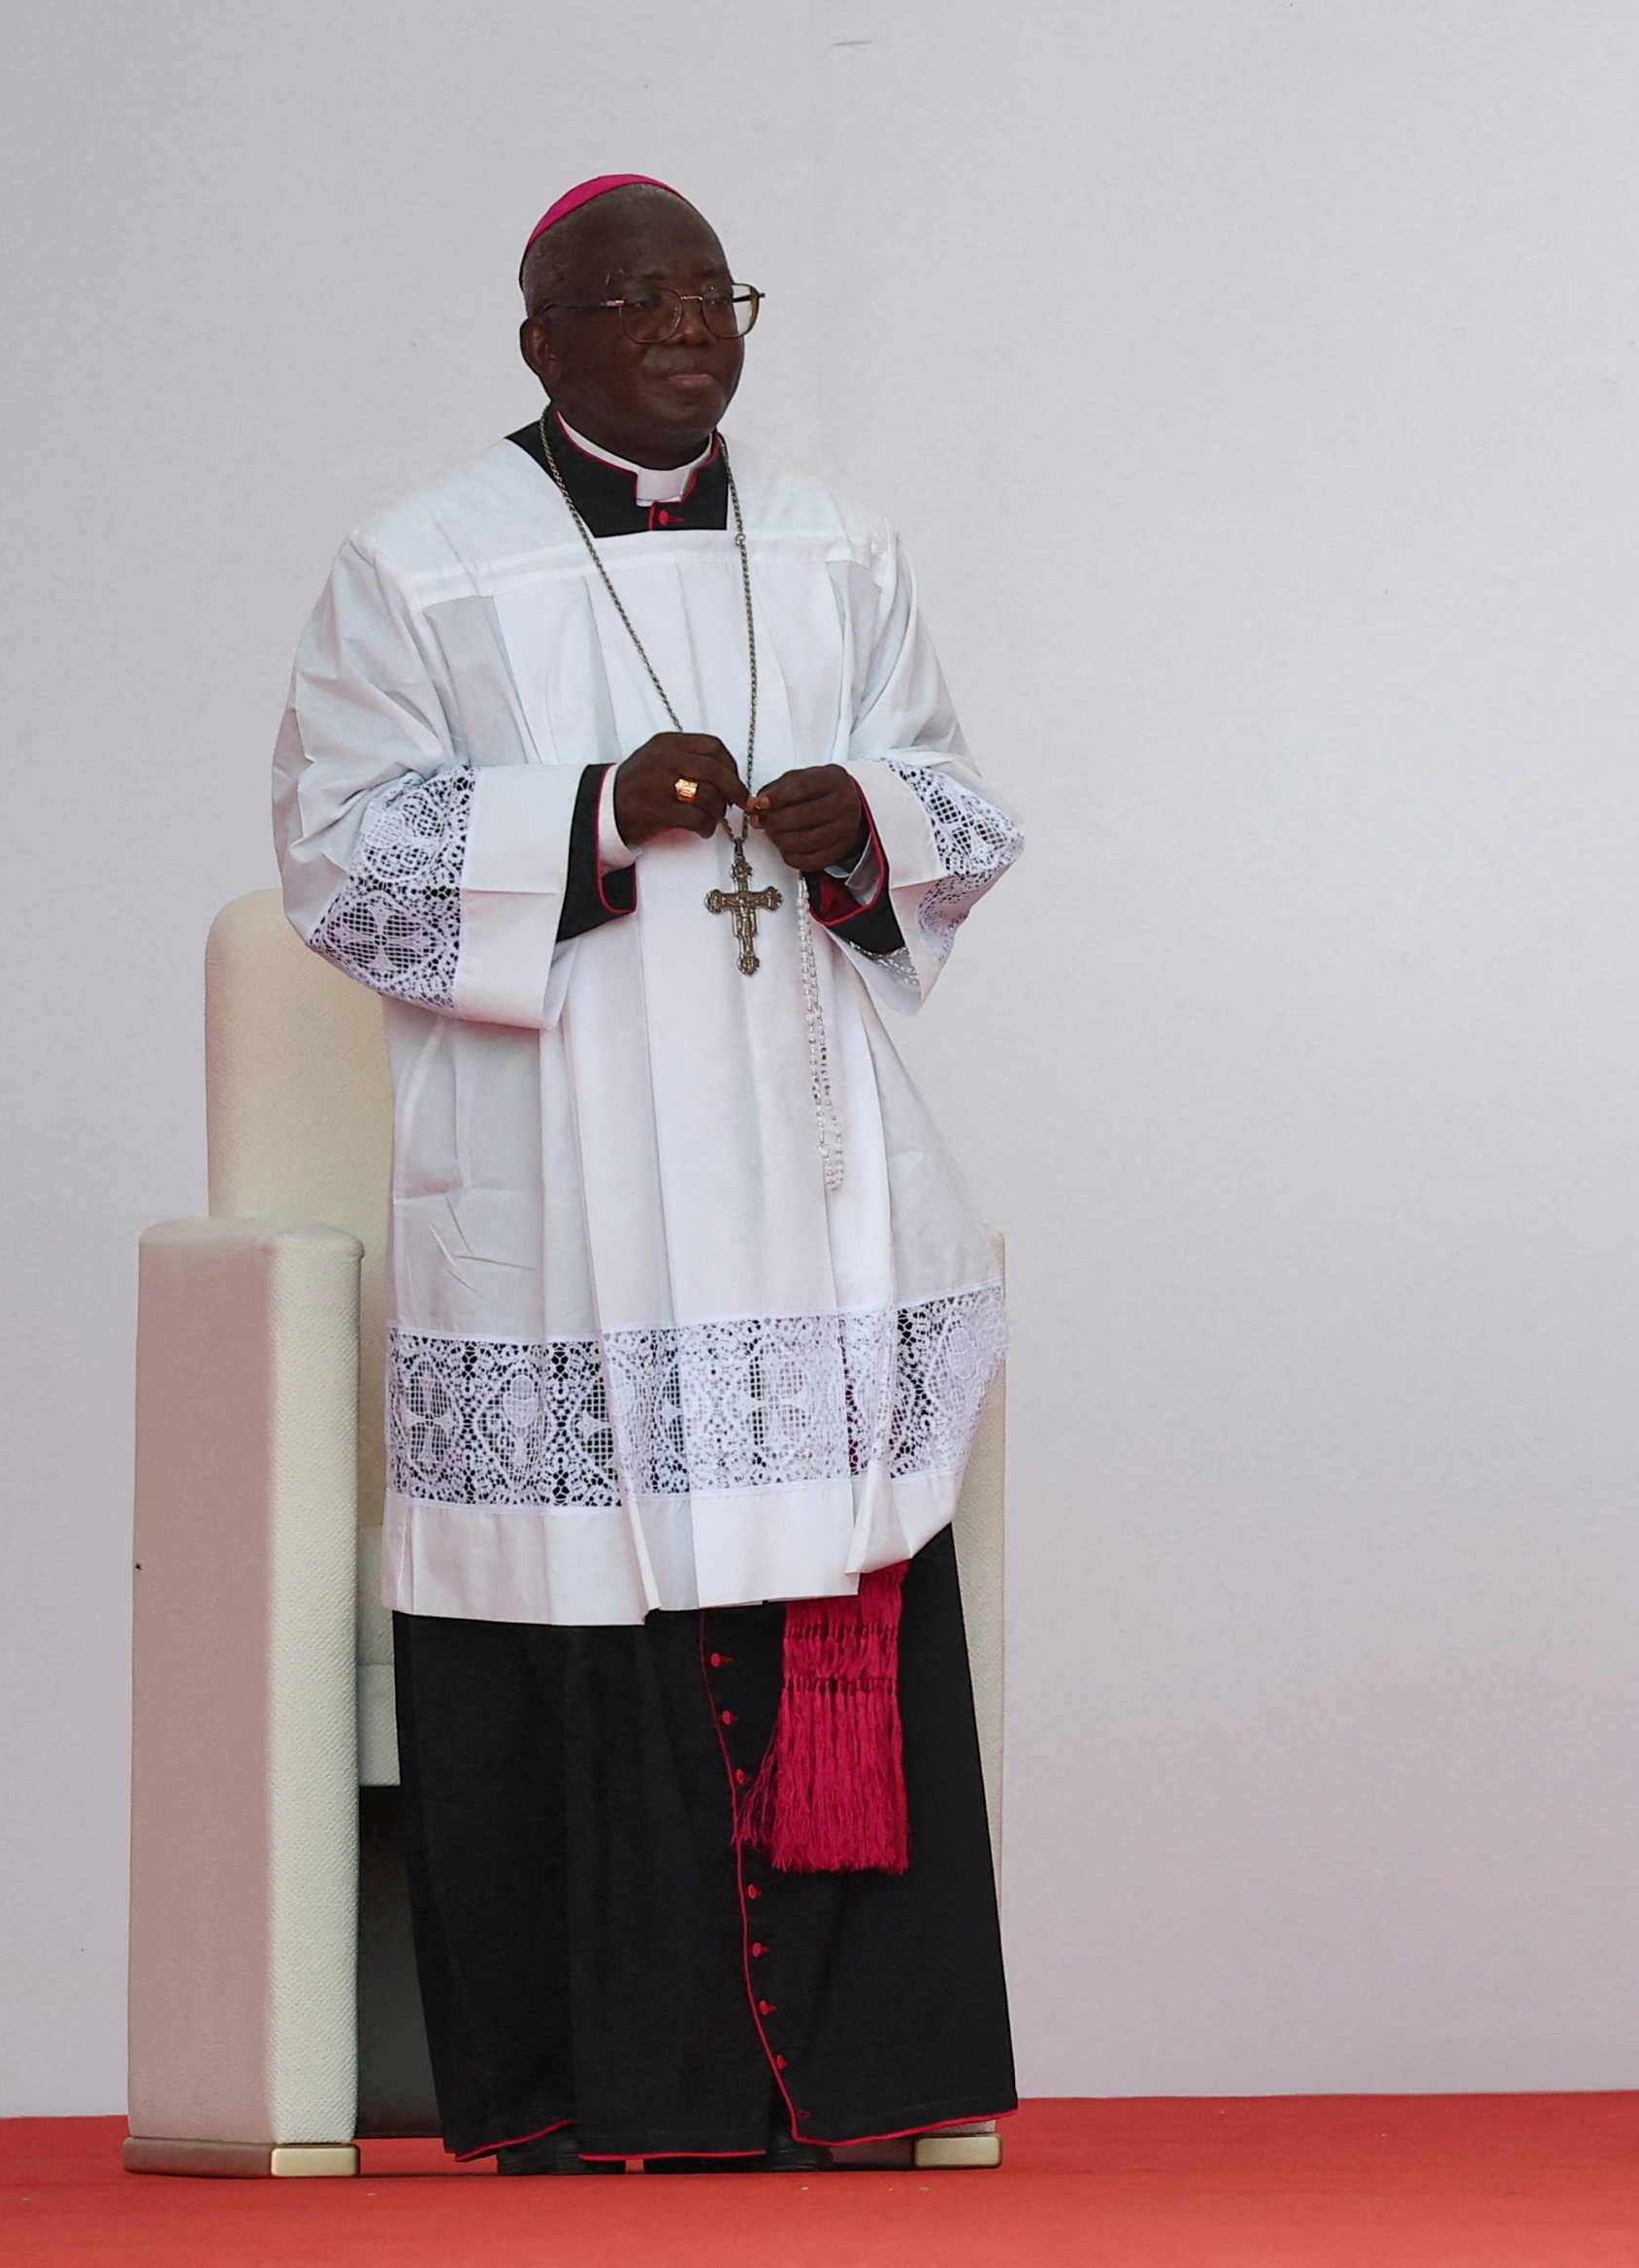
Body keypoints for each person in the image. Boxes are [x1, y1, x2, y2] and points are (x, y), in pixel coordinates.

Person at [273, 176, 1026, 2173]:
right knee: (578, 1587)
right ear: (542, 339)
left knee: (817, 1561)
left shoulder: (840, 538)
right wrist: (594, 815)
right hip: (563, 1174)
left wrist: (854, 812)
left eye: (715, 294)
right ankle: (593, 2085)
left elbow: (952, 789)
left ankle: (854, 2080)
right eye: (638, 299)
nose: (690, 328)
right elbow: (339, 859)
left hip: (796, 1152)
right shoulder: (419, 565)